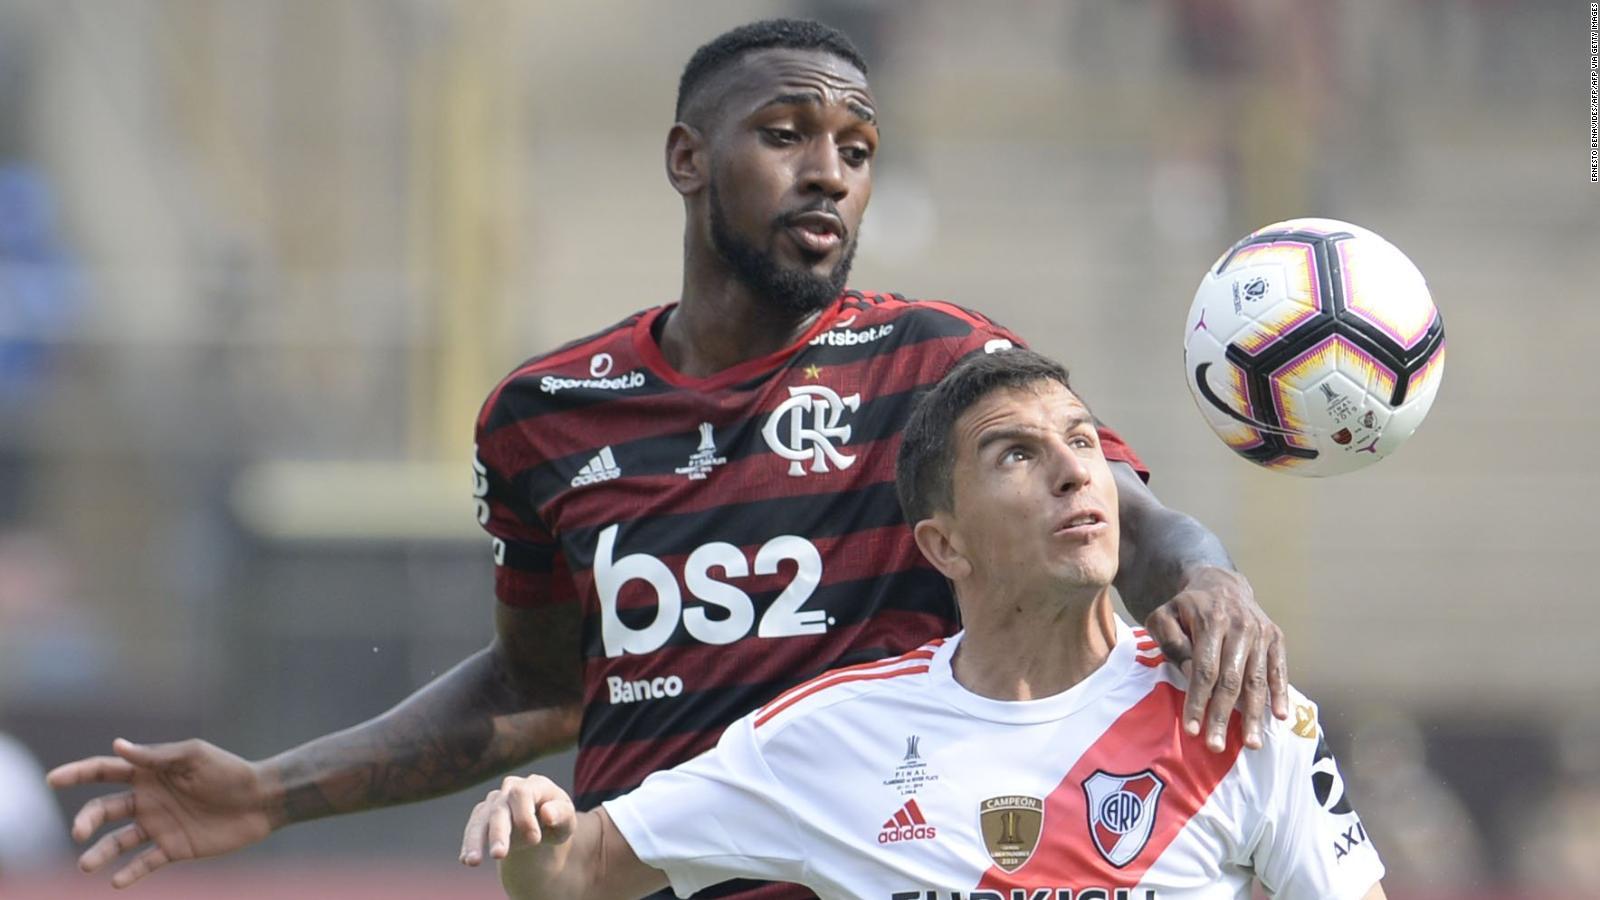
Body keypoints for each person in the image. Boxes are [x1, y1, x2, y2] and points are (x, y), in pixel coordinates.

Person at [47, 19, 1286, 897]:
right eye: (786, 135)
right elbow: (538, 687)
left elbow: (1130, 520)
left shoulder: (935, 365)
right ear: (689, 159)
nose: (827, 175)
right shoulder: (545, 415)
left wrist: (1213, 582)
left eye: (855, 150)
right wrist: (273, 791)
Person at [462, 349, 1384, 900]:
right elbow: (583, 871)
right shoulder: (828, 734)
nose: (1074, 472)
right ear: (943, 546)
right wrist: (536, 831)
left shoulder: (1235, 707)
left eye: (1083, 440)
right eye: (1016, 454)